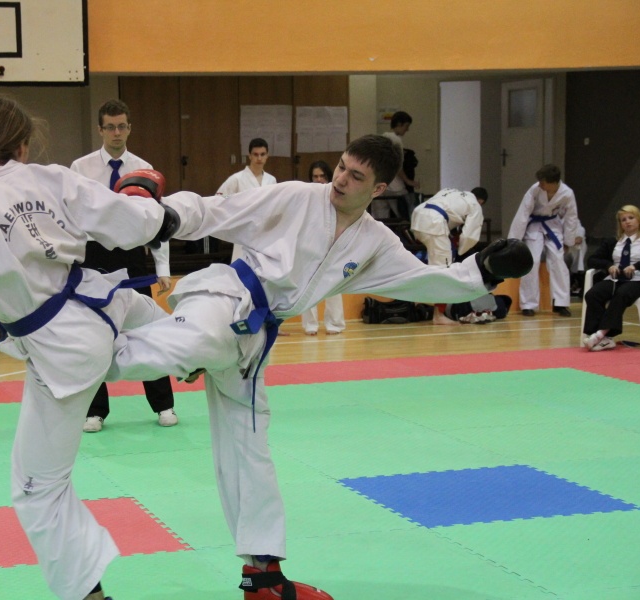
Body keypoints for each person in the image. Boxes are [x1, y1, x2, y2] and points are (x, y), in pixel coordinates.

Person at [106, 135, 532, 600]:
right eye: (342, 167)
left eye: (356, 176)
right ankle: (77, 343)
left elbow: (423, 281)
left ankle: (263, 579)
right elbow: (216, 210)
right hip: (227, 297)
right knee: (191, 342)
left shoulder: (374, 242)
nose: (341, 179)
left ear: (378, 189)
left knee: (251, 452)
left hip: (254, 342)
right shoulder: (295, 196)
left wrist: (482, 272)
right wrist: (166, 215)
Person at [0, 93, 178, 600]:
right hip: (107, 301)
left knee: (37, 489)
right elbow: (131, 222)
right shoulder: (52, 177)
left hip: (64, 349)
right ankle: (207, 345)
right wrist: (148, 204)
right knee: (162, 326)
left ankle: (87, 594)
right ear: (23, 145)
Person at [70, 99, 177, 432]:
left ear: (129, 128)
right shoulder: (80, 168)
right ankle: (94, 411)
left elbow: (156, 221)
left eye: (121, 126)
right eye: (110, 127)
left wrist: (162, 268)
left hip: (132, 255)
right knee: (92, 334)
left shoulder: (144, 168)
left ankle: (164, 405)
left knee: (146, 332)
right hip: (93, 257)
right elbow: (72, 218)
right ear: (100, 130)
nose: (116, 133)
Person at [508, 164, 581, 317]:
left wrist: (568, 241)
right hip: (534, 226)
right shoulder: (535, 189)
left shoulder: (567, 193)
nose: (540, 184)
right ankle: (528, 304)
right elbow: (523, 213)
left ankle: (561, 303)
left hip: (553, 225)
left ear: (553, 182)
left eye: (543, 182)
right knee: (532, 261)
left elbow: (571, 218)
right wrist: (514, 240)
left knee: (558, 261)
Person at [410, 187, 486, 325]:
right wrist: (460, 250)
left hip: (417, 217)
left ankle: (417, 300)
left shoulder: (451, 191)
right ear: (481, 201)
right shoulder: (475, 205)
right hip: (434, 223)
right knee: (445, 272)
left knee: (429, 266)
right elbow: (469, 236)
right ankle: (438, 315)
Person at [582, 205, 640, 351]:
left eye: (631, 218)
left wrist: (637, 266)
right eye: (623, 220)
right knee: (593, 294)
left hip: (636, 281)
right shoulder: (613, 241)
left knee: (621, 294)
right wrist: (608, 266)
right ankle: (600, 336)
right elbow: (592, 260)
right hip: (614, 279)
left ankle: (601, 335)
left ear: (639, 220)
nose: (627, 222)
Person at [301, 161, 345, 335]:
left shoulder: (339, 194)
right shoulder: (307, 195)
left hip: (333, 242)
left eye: (322, 176)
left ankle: (335, 323)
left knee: (333, 284)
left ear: (328, 176)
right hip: (310, 243)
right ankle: (310, 324)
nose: (318, 179)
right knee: (308, 284)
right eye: (315, 176)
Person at [217, 137, 276, 262]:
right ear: (249, 156)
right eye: (255, 154)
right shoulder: (237, 179)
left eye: (262, 154)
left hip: (265, 232)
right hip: (244, 230)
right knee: (242, 266)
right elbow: (219, 200)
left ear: (267, 156)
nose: (259, 158)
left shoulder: (271, 180)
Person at [373, 111, 418, 220]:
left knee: (381, 220)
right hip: (395, 186)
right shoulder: (396, 140)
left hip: (379, 185)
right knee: (406, 216)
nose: (407, 129)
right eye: (406, 126)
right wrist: (408, 181)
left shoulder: (381, 138)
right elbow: (397, 165)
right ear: (399, 124)